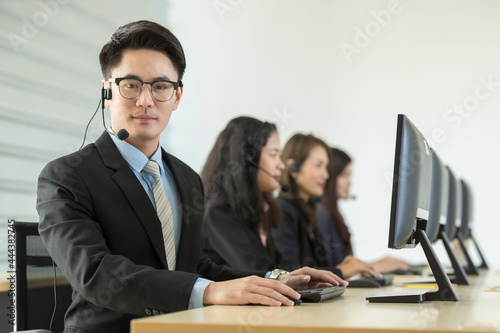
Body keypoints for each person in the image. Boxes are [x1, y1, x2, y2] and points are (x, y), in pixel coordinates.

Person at [36, 21, 345, 333]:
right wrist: (209, 291)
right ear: (107, 91)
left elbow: (196, 268)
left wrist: (272, 281)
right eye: (130, 85)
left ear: (177, 96)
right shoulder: (66, 176)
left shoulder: (186, 178)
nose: (146, 100)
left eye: (160, 86)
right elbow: (96, 274)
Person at [200, 117, 344, 278]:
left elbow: (280, 268)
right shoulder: (219, 211)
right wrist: (339, 272)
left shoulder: (260, 209)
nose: (280, 165)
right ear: (248, 159)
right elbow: (263, 271)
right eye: (274, 155)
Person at [271, 134, 379, 279]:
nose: (326, 175)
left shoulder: (310, 210)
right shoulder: (282, 211)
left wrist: (346, 268)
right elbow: (289, 273)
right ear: (293, 168)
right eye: (318, 165)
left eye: (326, 167)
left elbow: (320, 266)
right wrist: (341, 271)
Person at [319, 147, 411, 273]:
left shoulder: (333, 213)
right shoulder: (321, 214)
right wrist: (374, 266)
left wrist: (375, 265)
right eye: (344, 175)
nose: (349, 182)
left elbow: (344, 266)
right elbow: (333, 269)